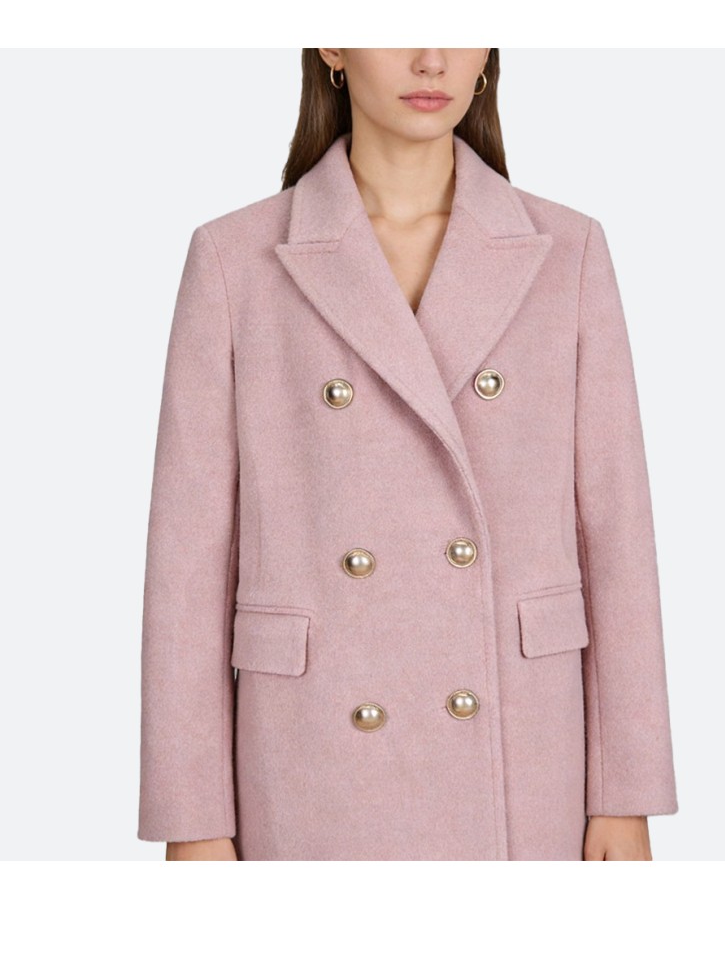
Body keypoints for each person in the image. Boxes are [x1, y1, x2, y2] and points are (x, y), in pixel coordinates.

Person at [138, 48, 678, 861]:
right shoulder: (233, 259)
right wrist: (193, 819)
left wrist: (626, 794)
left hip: (526, 747)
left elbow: (616, 529)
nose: (431, 59)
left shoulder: (566, 250)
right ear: (331, 44)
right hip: (310, 755)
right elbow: (187, 563)